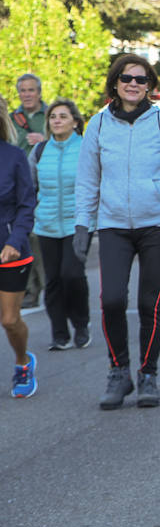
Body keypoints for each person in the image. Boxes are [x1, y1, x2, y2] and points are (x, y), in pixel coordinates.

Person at [75, 54, 160, 411]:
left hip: (157, 224)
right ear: (115, 82)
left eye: (141, 80)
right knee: (111, 299)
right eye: (127, 78)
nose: (133, 84)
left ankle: (148, 374)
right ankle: (119, 371)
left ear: (149, 86)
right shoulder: (97, 124)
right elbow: (87, 179)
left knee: (149, 303)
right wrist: (83, 223)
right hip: (113, 225)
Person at [29, 100, 90, 351]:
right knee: (52, 280)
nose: (56, 120)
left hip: (78, 223)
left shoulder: (87, 148)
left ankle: (81, 323)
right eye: (53, 116)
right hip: (46, 224)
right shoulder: (40, 151)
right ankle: (59, 334)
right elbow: (30, 186)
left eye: (63, 116)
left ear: (75, 122)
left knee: (72, 275)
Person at [0, 109, 37, 397]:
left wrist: (15, 240)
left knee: (10, 320)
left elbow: (27, 204)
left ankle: (23, 362)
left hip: (11, 251)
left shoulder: (14, 157)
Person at [11, 74, 46, 308]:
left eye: (31, 90)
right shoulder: (12, 118)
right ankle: (30, 290)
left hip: (44, 184)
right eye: (23, 90)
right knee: (23, 236)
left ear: (39, 92)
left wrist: (44, 139)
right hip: (17, 186)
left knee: (39, 238)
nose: (27, 94)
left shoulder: (50, 115)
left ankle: (46, 286)